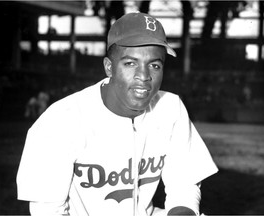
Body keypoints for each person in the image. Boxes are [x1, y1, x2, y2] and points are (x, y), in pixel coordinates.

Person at [17, 12, 218, 216]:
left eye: (154, 65)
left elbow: (184, 185)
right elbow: (47, 210)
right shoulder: (61, 120)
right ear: (109, 67)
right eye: (130, 63)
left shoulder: (170, 107)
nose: (144, 76)